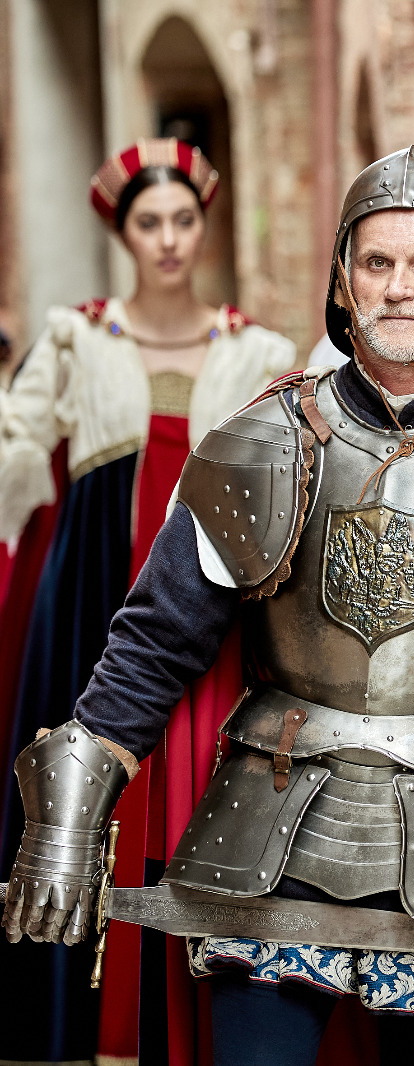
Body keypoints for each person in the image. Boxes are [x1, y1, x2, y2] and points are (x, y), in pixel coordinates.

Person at [1, 146, 414, 1066]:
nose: (399, 288)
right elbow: (154, 644)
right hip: (265, 837)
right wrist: (65, 817)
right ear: (343, 280)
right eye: (377, 263)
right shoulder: (262, 441)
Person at [0, 138, 295, 1065]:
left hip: (207, 603)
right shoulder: (76, 335)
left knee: (194, 792)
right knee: (78, 785)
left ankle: (177, 1015)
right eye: (148, 223)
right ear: (122, 232)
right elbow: (15, 459)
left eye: (183, 220)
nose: (168, 238)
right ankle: (70, 1023)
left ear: (204, 226)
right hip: (93, 593)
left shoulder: (261, 351)